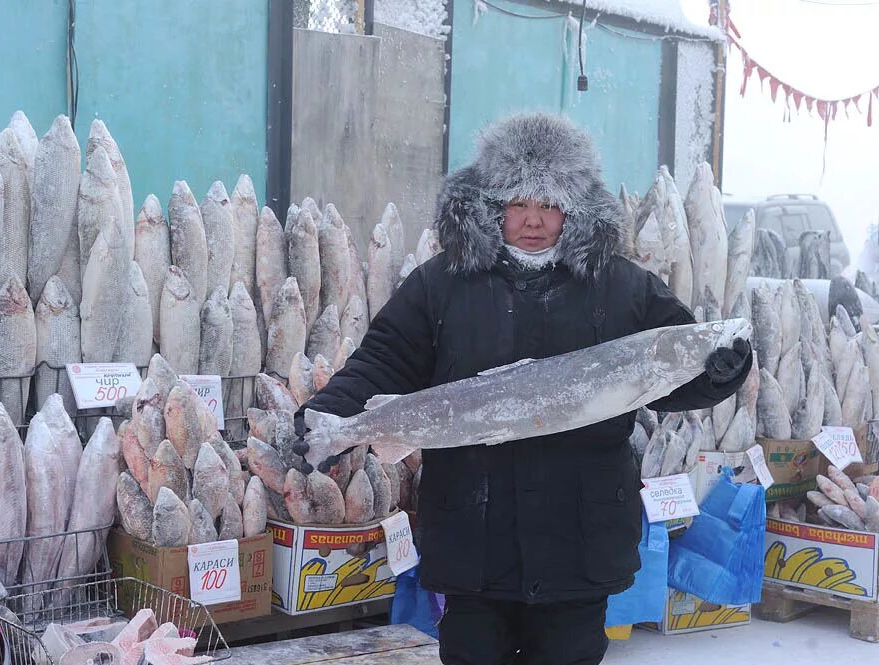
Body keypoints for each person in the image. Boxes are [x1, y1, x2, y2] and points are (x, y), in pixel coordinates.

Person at [293, 113, 751, 665]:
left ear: (574, 209)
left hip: (578, 541)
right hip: (473, 537)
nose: (533, 220)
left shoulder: (623, 287)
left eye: (550, 205)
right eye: (517, 203)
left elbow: (668, 375)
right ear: (492, 206)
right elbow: (386, 357)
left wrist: (718, 372)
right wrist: (332, 413)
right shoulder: (442, 284)